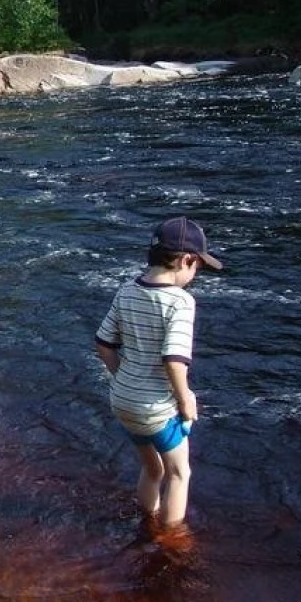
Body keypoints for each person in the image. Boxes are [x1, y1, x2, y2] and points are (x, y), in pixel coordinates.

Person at [94, 215, 222, 538]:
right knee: (179, 474)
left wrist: (123, 377)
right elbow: (174, 362)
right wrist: (185, 400)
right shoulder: (181, 302)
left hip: (122, 400)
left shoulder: (126, 291)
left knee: (153, 468)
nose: (196, 274)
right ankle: (171, 539)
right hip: (157, 409)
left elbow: (103, 344)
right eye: (198, 267)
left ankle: (146, 520)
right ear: (185, 260)